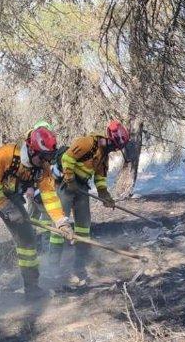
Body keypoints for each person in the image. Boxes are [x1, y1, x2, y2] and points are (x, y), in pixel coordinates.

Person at [0, 121, 74, 303]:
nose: (45, 161)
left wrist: (62, 221)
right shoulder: (2, 155)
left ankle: (32, 289)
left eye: (48, 157)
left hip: (11, 195)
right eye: (43, 157)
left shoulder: (43, 167)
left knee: (28, 239)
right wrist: (8, 209)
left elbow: (50, 196)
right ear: (31, 150)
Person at [39, 120, 129, 287]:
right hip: (65, 186)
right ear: (109, 138)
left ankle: (79, 267)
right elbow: (67, 158)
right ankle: (53, 268)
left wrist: (104, 193)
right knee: (61, 225)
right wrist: (70, 178)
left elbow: (100, 177)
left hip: (81, 189)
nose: (114, 149)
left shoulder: (103, 156)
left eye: (117, 147)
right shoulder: (88, 142)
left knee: (83, 227)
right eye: (114, 145)